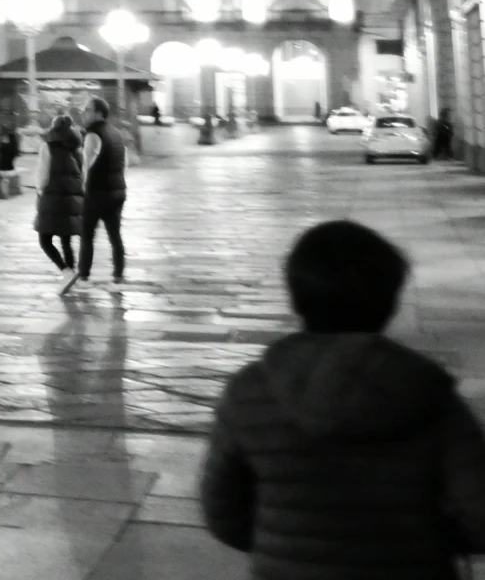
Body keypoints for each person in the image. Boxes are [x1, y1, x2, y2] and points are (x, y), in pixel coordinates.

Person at [200, 219, 485, 573]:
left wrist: (285, 544)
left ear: (297, 297)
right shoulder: (428, 393)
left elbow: (223, 515)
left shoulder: (249, 392)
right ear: (389, 301)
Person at [66, 97, 129, 294]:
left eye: (88, 110)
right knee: (115, 235)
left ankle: (84, 277)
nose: (84, 113)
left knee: (87, 235)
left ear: (99, 113)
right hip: (118, 190)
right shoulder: (116, 133)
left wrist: (82, 191)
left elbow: (87, 166)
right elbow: (123, 162)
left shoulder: (93, 135)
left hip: (98, 193)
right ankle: (118, 278)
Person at [34, 115, 84, 274]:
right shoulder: (76, 149)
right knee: (66, 240)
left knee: (44, 240)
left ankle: (66, 271)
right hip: (72, 200)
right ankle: (71, 270)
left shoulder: (46, 148)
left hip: (52, 198)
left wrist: (39, 191)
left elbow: (43, 177)